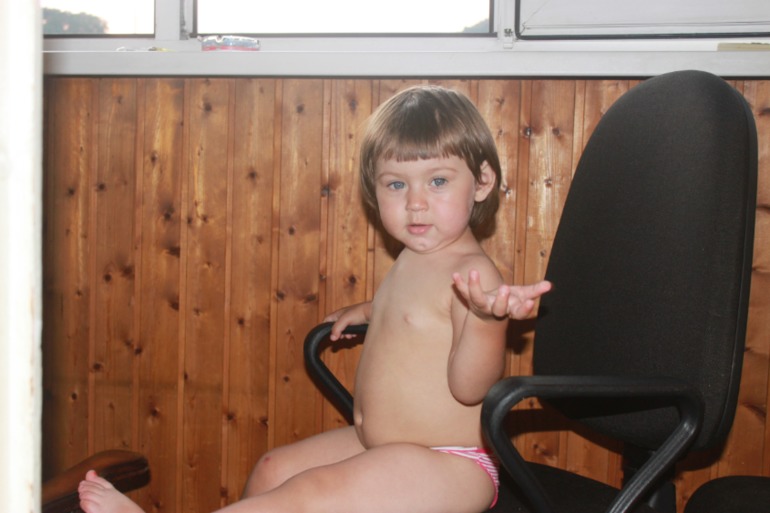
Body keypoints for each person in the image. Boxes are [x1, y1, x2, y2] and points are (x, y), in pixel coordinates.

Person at [78, 85, 551, 513]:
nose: (415, 202)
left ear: (482, 182)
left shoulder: (474, 277)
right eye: (396, 184)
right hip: (382, 445)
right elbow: (419, 313)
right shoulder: (416, 255)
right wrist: (369, 311)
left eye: (438, 181)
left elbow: (470, 387)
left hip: (449, 461)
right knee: (273, 471)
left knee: (311, 495)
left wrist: (488, 322)